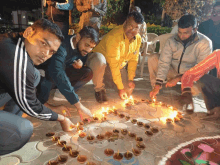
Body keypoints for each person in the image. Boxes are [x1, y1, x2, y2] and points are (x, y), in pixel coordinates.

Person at [0, 19, 75, 156]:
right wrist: (61, 119)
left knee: (34, 75)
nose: (46, 54)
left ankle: (7, 121)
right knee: (22, 129)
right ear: (28, 32)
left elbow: (25, 90)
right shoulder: (15, 54)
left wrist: (50, 107)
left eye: (52, 52)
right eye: (43, 43)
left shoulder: (15, 41)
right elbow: (30, 106)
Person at [37, 26, 99, 118]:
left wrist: (80, 64)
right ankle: (62, 92)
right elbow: (57, 71)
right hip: (48, 72)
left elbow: (80, 57)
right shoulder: (62, 46)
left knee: (87, 72)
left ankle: (62, 93)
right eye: (87, 45)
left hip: (63, 70)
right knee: (43, 94)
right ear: (78, 37)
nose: (88, 50)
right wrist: (78, 105)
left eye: (92, 47)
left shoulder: (82, 48)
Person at [149, 14, 212, 99]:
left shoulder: (205, 43)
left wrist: (179, 78)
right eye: (179, 32)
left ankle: (185, 93)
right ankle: (156, 88)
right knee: (153, 58)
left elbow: (202, 70)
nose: (181, 36)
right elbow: (164, 62)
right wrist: (158, 83)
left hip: (190, 76)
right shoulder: (172, 40)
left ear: (195, 29)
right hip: (172, 71)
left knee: (196, 88)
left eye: (186, 33)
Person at [87, 11, 144, 103]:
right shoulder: (114, 36)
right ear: (125, 23)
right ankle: (99, 89)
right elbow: (114, 65)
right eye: (130, 26)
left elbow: (133, 60)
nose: (132, 30)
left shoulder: (138, 39)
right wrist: (120, 88)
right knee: (99, 60)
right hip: (98, 62)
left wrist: (130, 79)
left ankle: (109, 82)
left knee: (127, 90)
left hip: (116, 66)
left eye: (136, 27)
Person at [180, 50, 220, 117]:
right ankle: (214, 110)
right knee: (204, 79)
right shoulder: (218, 54)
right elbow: (192, 73)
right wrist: (186, 90)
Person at [198, 2, 220, 77]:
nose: (215, 13)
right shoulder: (203, 25)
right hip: (203, 56)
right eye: (214, 11)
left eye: (218, 12)